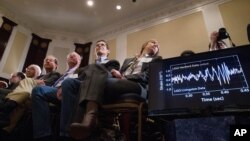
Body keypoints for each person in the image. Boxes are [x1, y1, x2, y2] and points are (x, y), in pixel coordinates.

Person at [69, 39, 162, 140]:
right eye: (152, 42)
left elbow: (147, 77)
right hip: (119, 84)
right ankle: (82, 125)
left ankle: (88, 120)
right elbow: (118, 73)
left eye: (157, 45)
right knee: (94, 72)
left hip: (138, 86)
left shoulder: (156, 59)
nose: (155, 44)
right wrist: (115, 74)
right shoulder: (129, 60)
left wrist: (124, 77)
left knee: (98, 79)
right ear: (144, 46)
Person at [0, 55, 61, 131]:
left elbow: (46, 84)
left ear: (56, 65)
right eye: (46, 60)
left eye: (50, 60)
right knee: (24, 95)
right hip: (29, 94)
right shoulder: (41, 76)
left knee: (27, 81)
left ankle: (8, 104)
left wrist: (33, 82)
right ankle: (10, 126)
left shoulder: (56, 74)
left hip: (41, 95)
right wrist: (36, 82)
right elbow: (37, 83)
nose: (47, 61)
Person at [31, 51, 82, 141]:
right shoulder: (63, 74)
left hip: (70, 91)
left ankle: (60, 135)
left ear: (79, 60)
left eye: (74, 56)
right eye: (70, 56)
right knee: (37, 90)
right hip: (54, 90)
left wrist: (63, 86)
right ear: (66, 60)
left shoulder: (81, 70)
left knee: (41, 90)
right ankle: (43, 134)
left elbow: (79, 82)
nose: (72, 57)